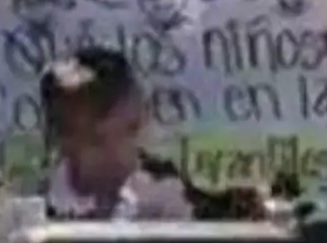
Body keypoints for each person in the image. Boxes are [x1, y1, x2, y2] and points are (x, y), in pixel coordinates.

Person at [38, 47, 257, 220]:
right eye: (97, 140)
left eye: (133, 128)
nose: (124, 151)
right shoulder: (33, 207)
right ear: (61, 137)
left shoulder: (173, 192)